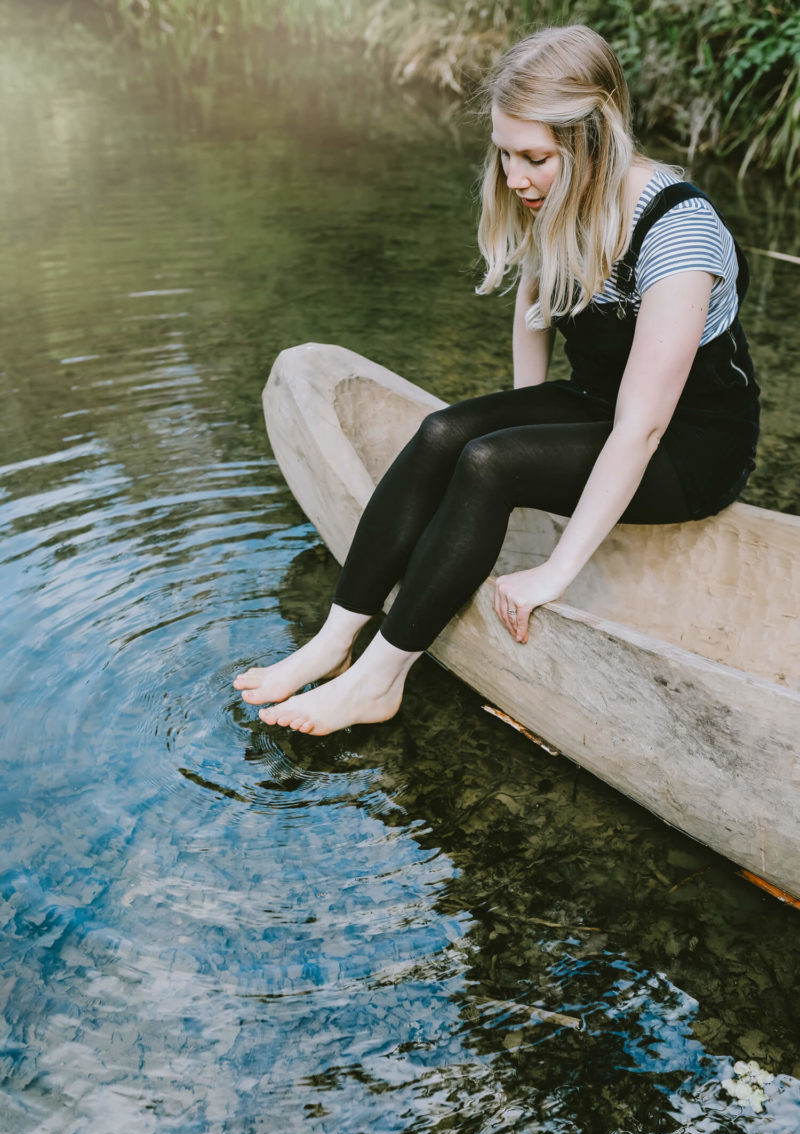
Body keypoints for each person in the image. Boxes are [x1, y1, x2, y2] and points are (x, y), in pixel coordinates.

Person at [234, 23, 759, 736]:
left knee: (489, 463)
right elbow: (536, 306)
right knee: (442, 432)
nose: (514, 178)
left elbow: (644, 424)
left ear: (594, 137)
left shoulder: (678, 231)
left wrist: (556, 569)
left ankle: (380, 680)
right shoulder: (558, 191)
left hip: (691, 446)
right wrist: (520, 412)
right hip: (603, 401)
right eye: (505, 154)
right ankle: (334, 640)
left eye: (534, 158)